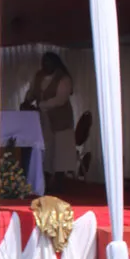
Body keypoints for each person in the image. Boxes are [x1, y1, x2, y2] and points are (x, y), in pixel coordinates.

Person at [23, 52, 75, 193]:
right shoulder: (39, 76)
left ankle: (59, 182)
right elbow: (33, 91)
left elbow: (60, 99)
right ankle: (45, 181)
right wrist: (27, 101)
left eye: (48, 62)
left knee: (61, 151)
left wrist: (41, 105)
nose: (45, 65)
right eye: (43, 62)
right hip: (44, 119)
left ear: (55, 63)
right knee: (47, 149)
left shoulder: (63, 78)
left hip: (61, 119)